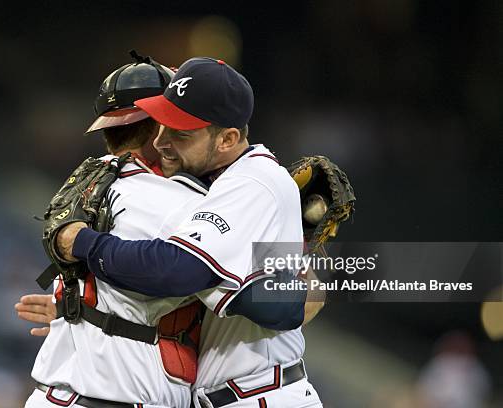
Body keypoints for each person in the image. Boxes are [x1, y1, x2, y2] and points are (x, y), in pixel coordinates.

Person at [23, 53, 321, 408]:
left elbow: (184, 270)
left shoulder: (101, 185)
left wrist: (79, 261)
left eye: (179, 131)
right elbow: (277, 305)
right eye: (161, 123)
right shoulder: (179, 199)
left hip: (260, 394)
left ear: (226, 139)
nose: (165, 141)